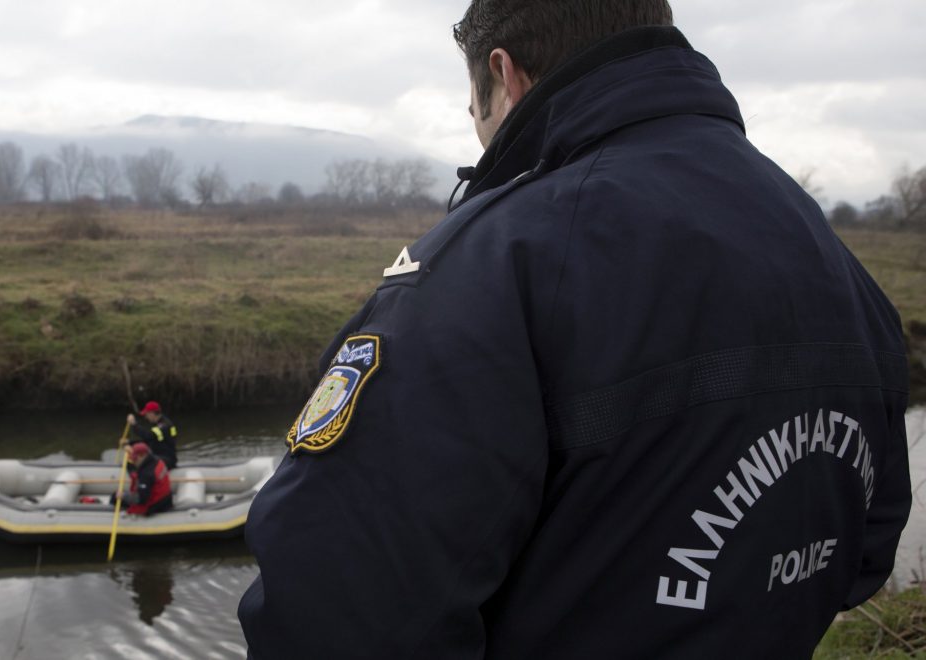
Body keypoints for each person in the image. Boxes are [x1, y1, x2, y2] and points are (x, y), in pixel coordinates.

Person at [238, 2, 912, 658]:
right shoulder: (824, 248)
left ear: (505, 75)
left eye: (475, 110)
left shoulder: (495, 265)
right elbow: (868, 544)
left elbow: (338, 610)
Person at [115, 442, 173, 516]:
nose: (134, 461)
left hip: (154, 505)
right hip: (166, 499)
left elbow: (141, 499)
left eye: (135, 459)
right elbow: (136, 470)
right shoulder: (157, 461)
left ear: (142, 455)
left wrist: (123, 495)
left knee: (115, 497)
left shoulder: (146, 475)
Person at [123, 400, 178, 469]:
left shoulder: (164, 426)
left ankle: (138, 477)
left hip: (167, 460)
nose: (146, 417)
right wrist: (130, 442)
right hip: (162, 457)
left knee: (138, 462)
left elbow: (148, 436)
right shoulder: (159, 424)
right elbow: (149, 440)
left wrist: (134, 424)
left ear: (151, 413)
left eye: (146, 414)